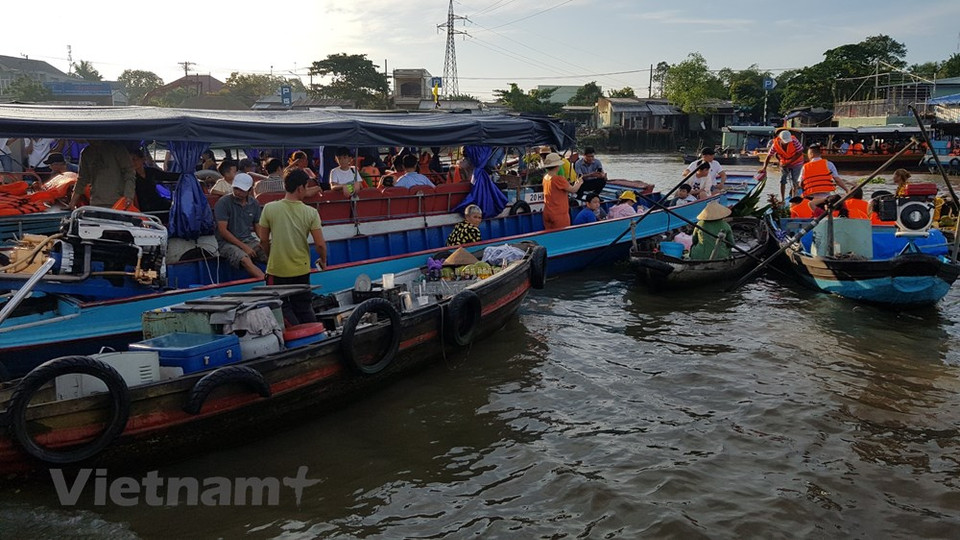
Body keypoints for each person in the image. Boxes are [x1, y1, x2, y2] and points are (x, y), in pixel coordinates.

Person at [257, 169, 327, 326]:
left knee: (282, 308)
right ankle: (314, 336)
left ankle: (295, 338)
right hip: (301, 269)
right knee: (304, 307)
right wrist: (323, 260)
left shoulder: (269, 208)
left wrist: (270, 257)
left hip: (276, 269)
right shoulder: (311, 213)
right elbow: (320, 244)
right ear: (300, 188)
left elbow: (263, 240)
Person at [214, 173, 266, 280]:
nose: (238, 192)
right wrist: (244, 247)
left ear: (250, 190)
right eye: (236, 188)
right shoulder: (223, 203)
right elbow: (223, 231)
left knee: (270, 253)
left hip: (249, 241)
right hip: (226, 244)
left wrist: (264, 242)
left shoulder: (254, 203)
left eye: (242, 190)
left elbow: (258, 227)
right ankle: (266, 281)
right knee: (244, 259)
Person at [70, 140, 136, 209]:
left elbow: (129, 173)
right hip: (96, 202)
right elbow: (82, 179)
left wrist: (128, 196)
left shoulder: (117, 148)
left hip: (118, 202)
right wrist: (72, 203)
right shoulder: (86, 153)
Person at [798, 144, 851, 209]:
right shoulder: (829, 164)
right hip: (827, 198)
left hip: (811, 199)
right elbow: (837, 180)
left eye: (808, 154)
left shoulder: (805, 167)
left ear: (811, 154)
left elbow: (800, 184)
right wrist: (847, 190)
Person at [129, 148, 178, 215]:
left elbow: (167, 176)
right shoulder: (130, 176)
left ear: (143, 159)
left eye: (135, 159)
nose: (132, 163)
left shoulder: (151, 172)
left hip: (156, 201)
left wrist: (186, 175)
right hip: (144, 206)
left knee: (174, 208)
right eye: (130, 160)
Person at [541, 152, 583, 230]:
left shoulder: (545, 177)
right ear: (557, 166)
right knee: (562, 235)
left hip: (547, 212)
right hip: (559, 213)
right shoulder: (558, 179)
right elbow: (573, 190)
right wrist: (579, 183)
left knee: (549, 235)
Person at [760, 130, 804, 201]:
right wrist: (764, 167)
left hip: (797, 163)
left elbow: (799, 152)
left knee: (795, 181)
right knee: (782, 180)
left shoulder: (794, 141)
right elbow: (769, 156)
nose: (787, 142)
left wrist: (789, 162)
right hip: (784, 163)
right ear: (780, 139)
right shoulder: (775, 144)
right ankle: (783, 199)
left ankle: (794, 198)